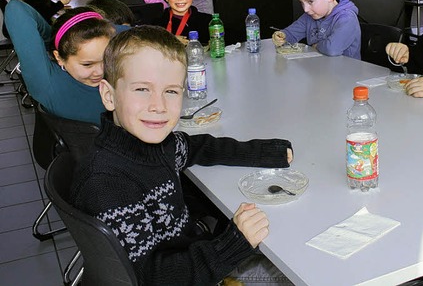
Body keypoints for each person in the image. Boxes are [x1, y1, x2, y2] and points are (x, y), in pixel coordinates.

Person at [70, 25, 293, 285]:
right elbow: (150, 278)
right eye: (142, 89)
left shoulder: (156, 144)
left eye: (171, 91)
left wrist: (264, 152)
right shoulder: (107, 184)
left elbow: (197, 147)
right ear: (109, 96)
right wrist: (233, 244)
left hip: (192, 256)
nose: (158, 106)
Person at [5, 0, 116, 125]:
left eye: (107, 59)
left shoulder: (47, 85)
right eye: (87, 64)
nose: (100, 71)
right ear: (59, 58)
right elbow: (15, 8)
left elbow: (16, 9)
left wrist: (53, 37)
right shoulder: (49, 85)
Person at [272, 0, 361, 59]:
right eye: (302, 3)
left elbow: (332, 49)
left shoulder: (347, 18)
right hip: (320, 67)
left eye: (310, 2)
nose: (305, 9)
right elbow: (292, 34)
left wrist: (316, 46)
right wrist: (282, 36)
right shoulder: (310, 16)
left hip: (346, 71)